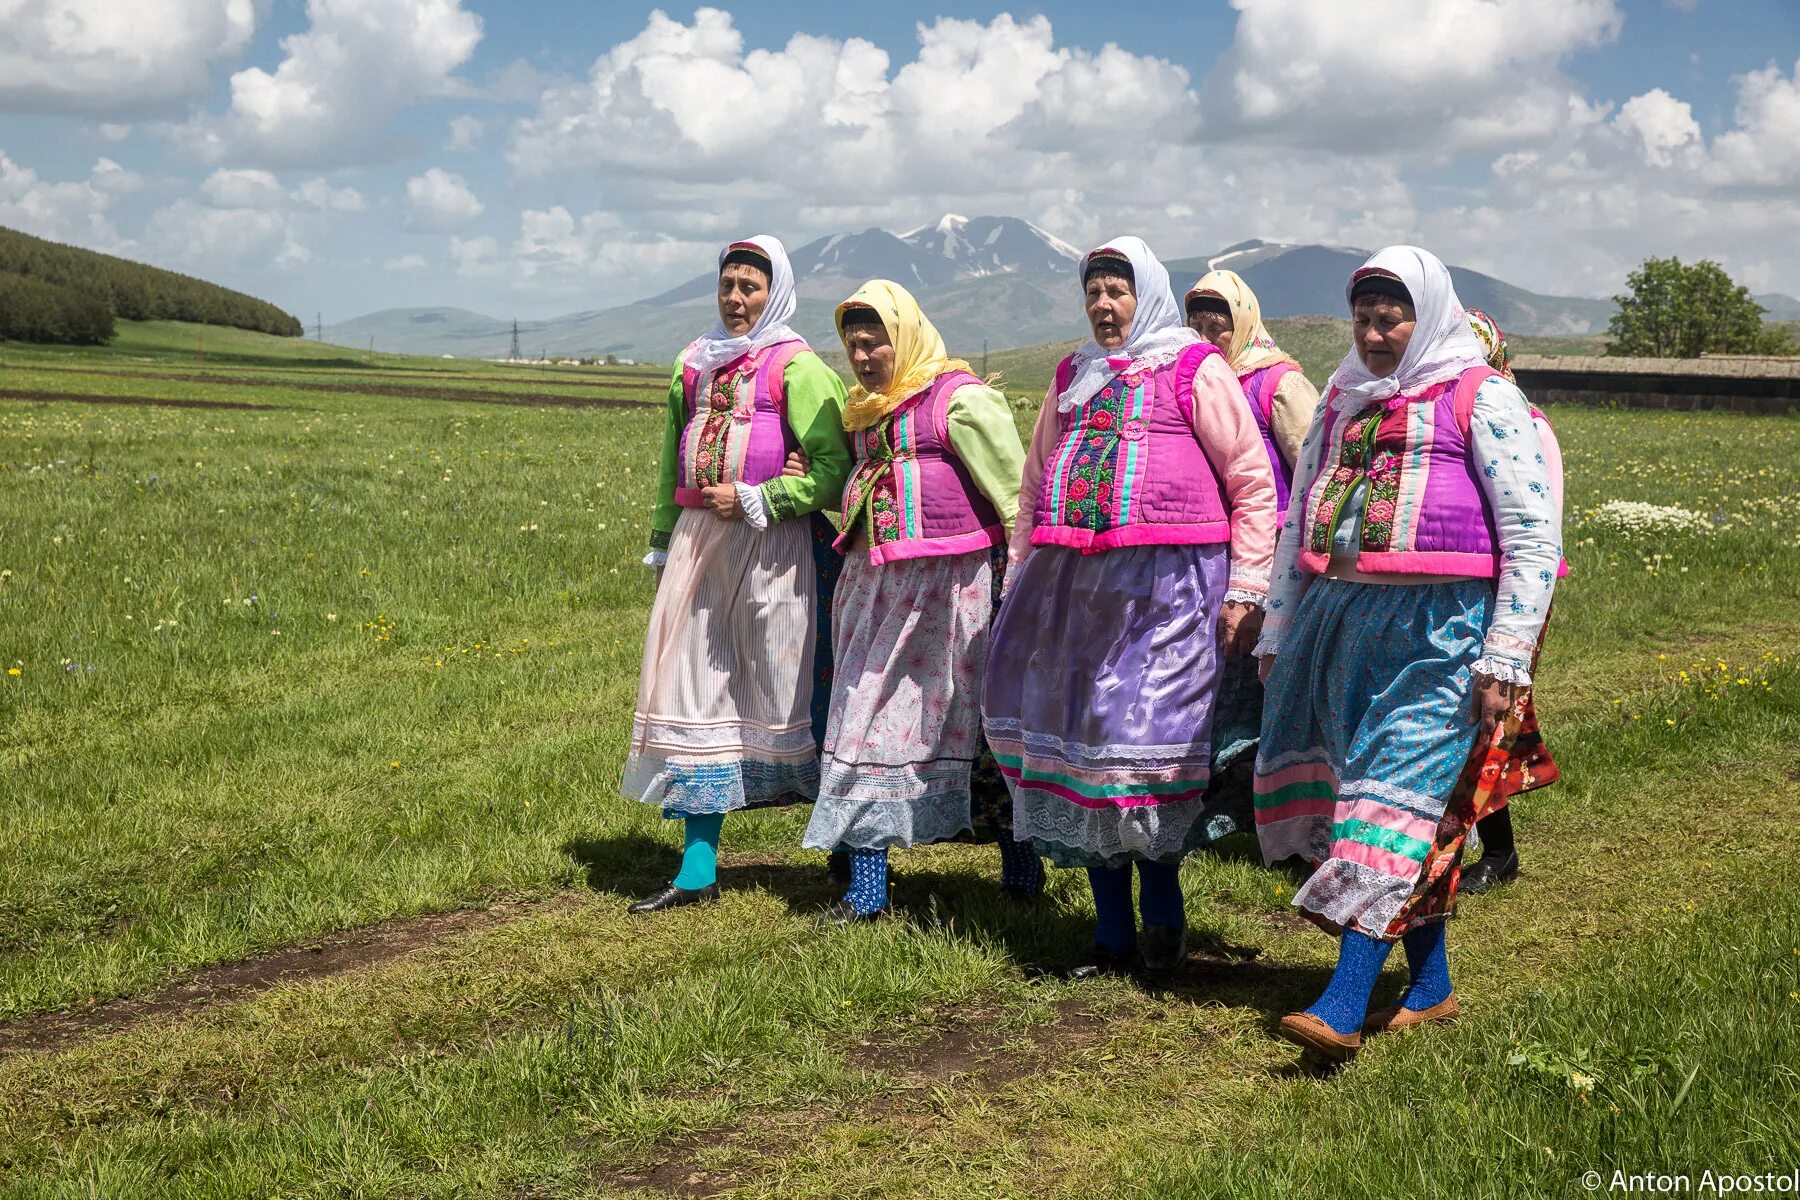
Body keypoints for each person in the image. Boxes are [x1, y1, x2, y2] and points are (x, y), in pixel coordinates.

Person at [1252, 247, 1562, 1060]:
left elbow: (1532, 536)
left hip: (1443, 633)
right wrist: (1279, 629)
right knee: (1383, 800)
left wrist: (1505, 658)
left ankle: (1344, 1005)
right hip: (1343, 623)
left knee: (1387, 804)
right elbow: (1295, 525)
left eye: (1393, 317)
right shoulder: (1344, 400)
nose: (1378, 332)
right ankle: (1431, 989)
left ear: (1430, 316)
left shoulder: (1482, 397)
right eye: (1364, 318)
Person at [982, 237, 1278, 978]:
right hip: (1073, 598)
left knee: (1138, 757)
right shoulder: (1074, 375)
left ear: (1144, 294)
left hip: (1169, 597)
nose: (1104, 306)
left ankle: (1164, 921)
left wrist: (1247, 587)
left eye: (1117, 291)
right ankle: (1110, 935)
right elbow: (1033, 482)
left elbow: (1251, 482)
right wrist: (1018, 577)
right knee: (1083, 751)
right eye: (1094, 293)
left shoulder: (1193, 369)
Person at [622, 236, 851, 914]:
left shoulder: (800, 368)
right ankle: (697, 871)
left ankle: (844, 850)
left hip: (779, 548)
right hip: (701, 547)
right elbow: (671, 462)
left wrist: (762, 499)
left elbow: (834, 468)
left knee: (803, 694)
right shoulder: (693, 364)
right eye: (727, 285)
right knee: (697, 688)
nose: (734, 298)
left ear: (773, 291)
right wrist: (664, 540)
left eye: (750, 286)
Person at [800, 280, 1035, 922]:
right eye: (854, 345)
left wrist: (1021, 583)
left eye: (875, 342)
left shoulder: (959, 402)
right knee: (866, 721)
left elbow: (1017, 499)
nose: (864, 356)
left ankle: (1020, 867)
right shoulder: (867, 413)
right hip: (875, 591)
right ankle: (867, 884)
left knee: (980, 728)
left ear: (903, 338)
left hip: (952, 595)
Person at [1182, 268, 1324, 840]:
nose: (1207, 336)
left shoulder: (1276, 384)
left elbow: (1313, 470)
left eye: (1218, 327)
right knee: (1215, 674)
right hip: (1208, 557)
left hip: (1266, 555)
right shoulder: (1186, 381)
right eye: (1196, 325)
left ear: (1241, 326)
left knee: (1255, 675)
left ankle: (1247, 800)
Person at [1458, 308, 1566, 894]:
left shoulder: (1524, 421)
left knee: (1491, 714)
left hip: (1509, 596)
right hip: (1462, 587)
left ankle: (1497, 850)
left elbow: (1535, 526)